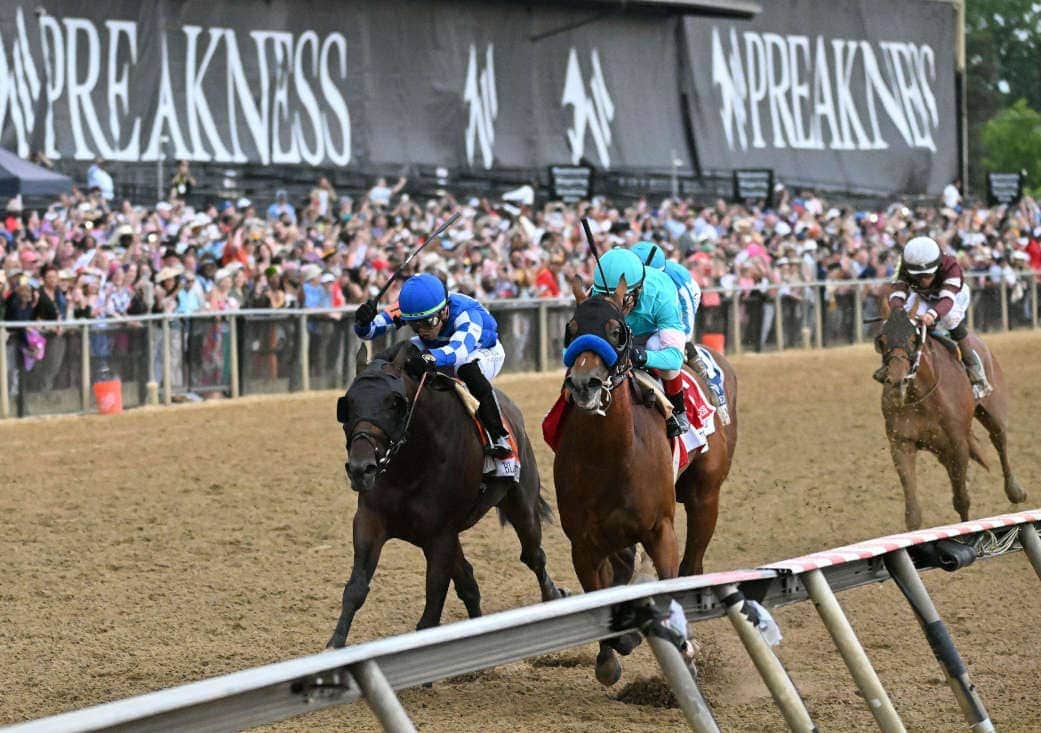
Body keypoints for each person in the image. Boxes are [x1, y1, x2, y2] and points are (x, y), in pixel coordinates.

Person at [353, 272, 512, 458]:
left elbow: (457, 351)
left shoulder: (467, 314)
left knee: (466, 368)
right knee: (387, 358)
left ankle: (498, 435)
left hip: (480, 350)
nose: (423, 331)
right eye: (414, 325)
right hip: (438, 347)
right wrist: (363, 322)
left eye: (429, 323)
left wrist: (428, 358)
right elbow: (370, 331)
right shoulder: (412, 308)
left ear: (444, 310)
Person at [590, 247, 690, 438]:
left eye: (621, 298)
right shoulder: (594, 293)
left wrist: (639, 356)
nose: (613, 306)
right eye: (605, 298)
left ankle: (678, 409)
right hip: (617, 332)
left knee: (658, 351)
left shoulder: (662, 294)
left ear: (638, 290)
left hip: (652, 332)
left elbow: (674, 358)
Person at [629, 240, 730, 424]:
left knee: (657, 344)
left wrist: (678, 343)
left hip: (685, 296)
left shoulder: (676, 283)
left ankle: (705, 374)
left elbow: (683, 329)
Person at [881, 235, 991, 398]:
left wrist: (932, 314)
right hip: (924, 298)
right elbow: (898, 292)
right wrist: (897, 311)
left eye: (927, 276)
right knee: (901, 324)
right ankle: (894, 366)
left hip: (953, 296)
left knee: (950, 319)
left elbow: (946, 301)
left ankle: (976, 374)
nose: (923, 281)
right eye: (918, 277)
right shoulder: (905, 265)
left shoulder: (951, 267)